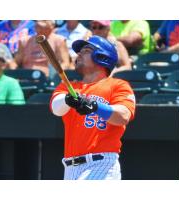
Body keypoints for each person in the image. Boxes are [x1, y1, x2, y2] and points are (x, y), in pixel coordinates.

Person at [50, 36, 136, 180]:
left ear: (102, 56)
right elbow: (56, 108)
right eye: (79, 51)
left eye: (86, 50)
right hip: (70, 167)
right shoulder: (68, 86)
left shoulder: (118, 85)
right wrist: (68, 99)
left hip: (101, 163)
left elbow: (123, 116)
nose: (78, 54)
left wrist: (94, 106)